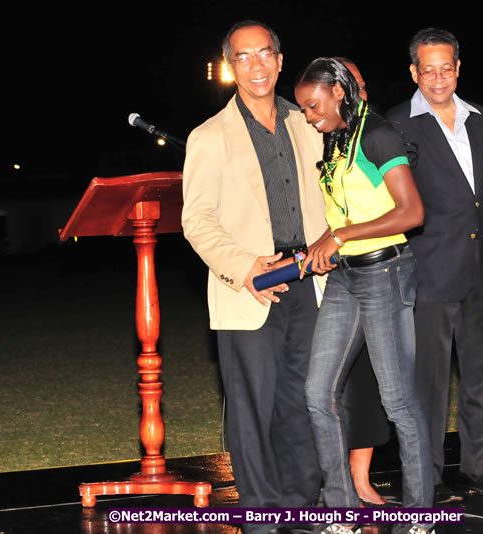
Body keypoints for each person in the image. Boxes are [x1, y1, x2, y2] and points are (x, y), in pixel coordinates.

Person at [181, 20, 327, 534]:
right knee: (253, 406)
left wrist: (333, 244)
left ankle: (301, 505)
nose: (256, 64)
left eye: (265, 53)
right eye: (243, 57)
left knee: (306, 400)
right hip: (250, 287)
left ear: (281, 60)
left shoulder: (308, 123)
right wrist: (245, 267)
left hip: (311, 280)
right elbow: (196, 219)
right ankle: (263, 515)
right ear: (230, 67)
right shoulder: (208, 136)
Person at [295, 57, 434, 534]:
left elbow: (412, 213)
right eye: (304, 110)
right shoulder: (335, 141)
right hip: (344, 277)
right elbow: (343, 214)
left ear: (338, 91)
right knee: (317, 393)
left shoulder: (377, 134)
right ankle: (341, 512)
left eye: (313, 106)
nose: (310, 117)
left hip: (385, 273)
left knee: (397, 400)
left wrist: (341, 236)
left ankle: (419, 517)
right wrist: (321, 243)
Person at [386, 28, 483, 503]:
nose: (438, 78)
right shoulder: (396, 124)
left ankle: (480, 470)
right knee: (428, 384)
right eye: (428, 69)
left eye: (446, 68)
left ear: (458, 68)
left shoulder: (482, 119)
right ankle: (429, 478)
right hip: (428, 271)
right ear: (413, 72)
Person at [335, 57, 392, 508]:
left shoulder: (375, 137)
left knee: (367, 384)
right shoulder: (320, 137)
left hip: (374, 270)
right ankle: (329, 484)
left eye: (355, 84)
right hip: (322, 278)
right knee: (324, 389)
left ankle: (361, 482)